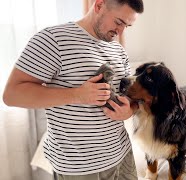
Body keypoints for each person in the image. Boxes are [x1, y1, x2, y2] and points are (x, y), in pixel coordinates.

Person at [2, 0, 143, 179]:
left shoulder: (118, 50)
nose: (121, 31)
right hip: (79, 169)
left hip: (123, 156)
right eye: (118, 22)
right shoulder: (52, 40)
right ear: (99, 5)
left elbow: (132, 98)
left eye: (127, 26)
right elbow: (12, 95)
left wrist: (129, 110)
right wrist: (76, 95)